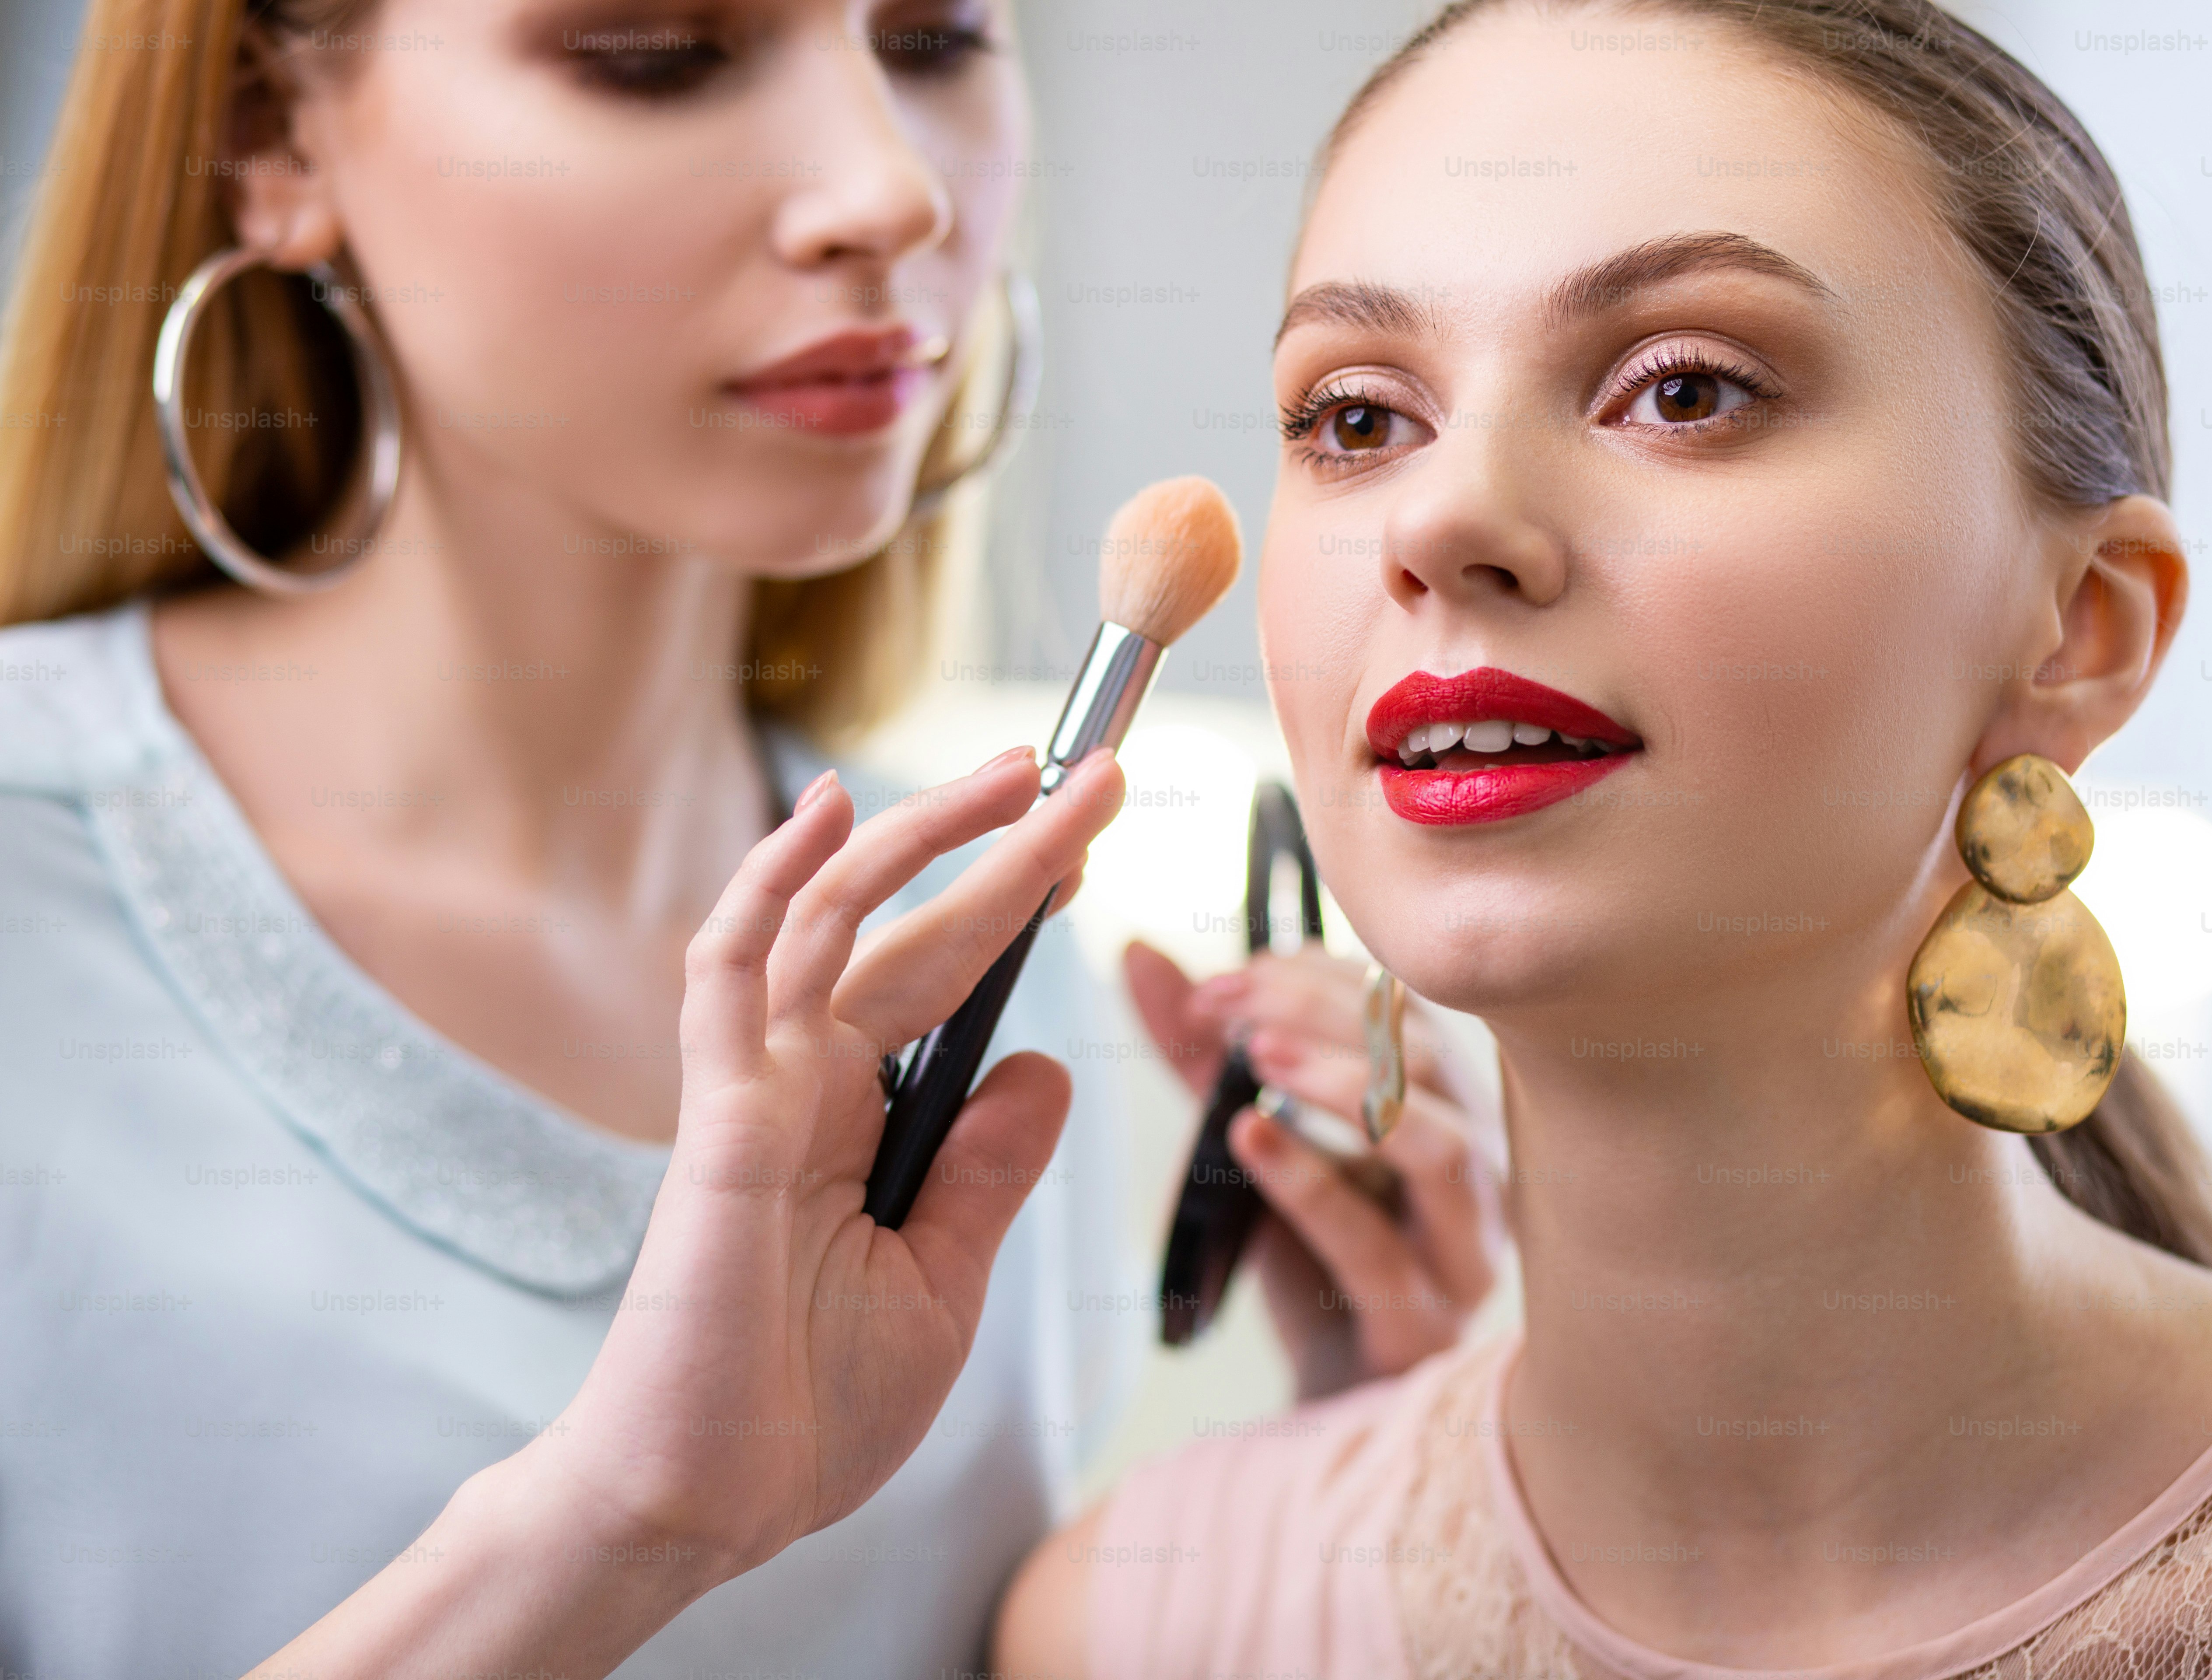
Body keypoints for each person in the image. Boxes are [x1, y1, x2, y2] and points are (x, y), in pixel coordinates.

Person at [995, 2, 2212, 1673]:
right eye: (1358, 418)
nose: (1442, 520)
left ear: (2079, 626)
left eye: (1687, 389)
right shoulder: (1140, 1625)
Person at [0, 1, 1489, 1672]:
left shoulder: (972, 951)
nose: (890, 191)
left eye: (933, 39)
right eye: (656, 51)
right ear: (274, 143)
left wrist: (1352, 1469)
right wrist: (626, 1520)